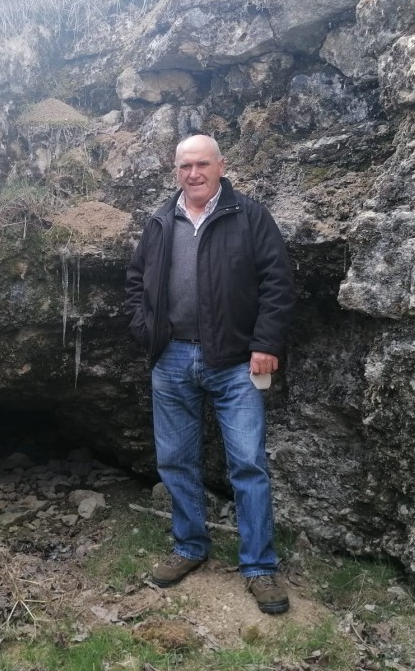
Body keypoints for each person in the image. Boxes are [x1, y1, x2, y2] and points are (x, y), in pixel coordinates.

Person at [125, 134, 296, 614]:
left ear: (221, 166)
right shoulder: (161, 220)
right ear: (175, 170)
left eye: (202, 164)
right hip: (171, 358)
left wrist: (265, 344)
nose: (193, 173)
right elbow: (136, 280)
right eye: (184, 166)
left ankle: (260, 568)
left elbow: (277, 282)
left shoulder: (250, 216)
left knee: (248, 464)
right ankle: (189, 547)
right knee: (176, 460)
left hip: (234, 361)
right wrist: (146, 332)